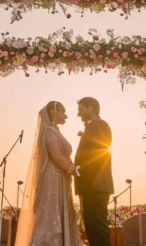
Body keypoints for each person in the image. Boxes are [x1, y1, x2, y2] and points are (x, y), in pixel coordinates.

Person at [14, 101, 81, 246]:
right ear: (54, 113)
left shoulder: (55, 131)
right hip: (53, 177)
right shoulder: (50, 132)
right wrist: (75, 170)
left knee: (58, 213)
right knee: (51, 216)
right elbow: (56, 156)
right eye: (63, 112)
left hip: (60, 177)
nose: (66, 116)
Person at [73, 97, 114, 246]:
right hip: (89, 185)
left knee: (97, 227)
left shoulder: (101, 125)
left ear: (91, 108)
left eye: (81, 109)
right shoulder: (91, 127)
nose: (78, 113)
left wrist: (78, 168)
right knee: (91, 227)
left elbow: (100, 152)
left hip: (96, 185)